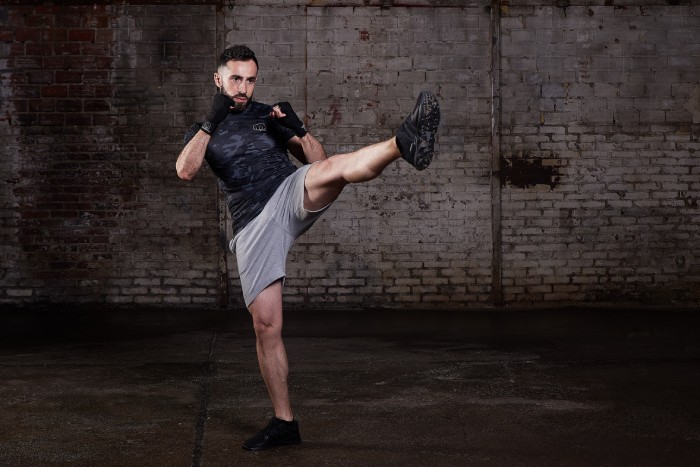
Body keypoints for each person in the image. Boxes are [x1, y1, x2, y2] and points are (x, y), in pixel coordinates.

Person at [175, 45, 440, 451]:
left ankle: (402, 143)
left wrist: (297, 129)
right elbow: (186, 170)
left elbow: (320, 162)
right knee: (267, 327)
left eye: (250, 80)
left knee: (333, 170)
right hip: (252, 225)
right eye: (235, 79)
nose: (243, 88)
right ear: (219, 80)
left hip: (286, 192)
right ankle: (285, 424)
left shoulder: (268, 116)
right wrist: (212, 120)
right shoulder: (205, 129)